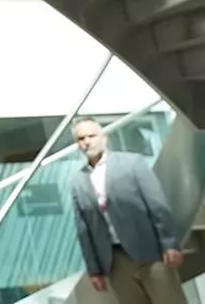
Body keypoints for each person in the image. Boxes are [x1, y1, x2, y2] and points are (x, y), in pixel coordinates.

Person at [70, 117, 186, 304]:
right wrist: (94, 270)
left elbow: (157, 205)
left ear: (104, 137)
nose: (87, 142)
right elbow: (84, 230)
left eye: (91, 135)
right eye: (81, 138)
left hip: (151, 252)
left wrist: (169, 244)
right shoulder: (78, 182)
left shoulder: (132, 164)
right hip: (115, 261)